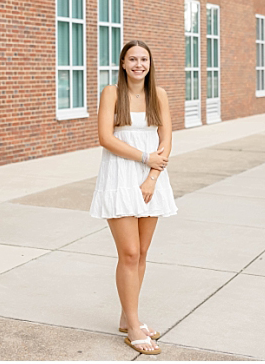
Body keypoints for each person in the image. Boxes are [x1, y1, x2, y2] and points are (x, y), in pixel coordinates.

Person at [90, 39, 177, 356]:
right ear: (123, 64)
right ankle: (135, 325)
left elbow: (166, 138)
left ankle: (128, 318)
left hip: (151, 181)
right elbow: (105, 138)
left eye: (144, 59)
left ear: (149, 64)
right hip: (120, 178)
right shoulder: (111, 93)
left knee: (141, 253)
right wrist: (144, 158)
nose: (139, 64)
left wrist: (153, 176)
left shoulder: (160, 95)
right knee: (128, 253)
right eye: (133, 59)